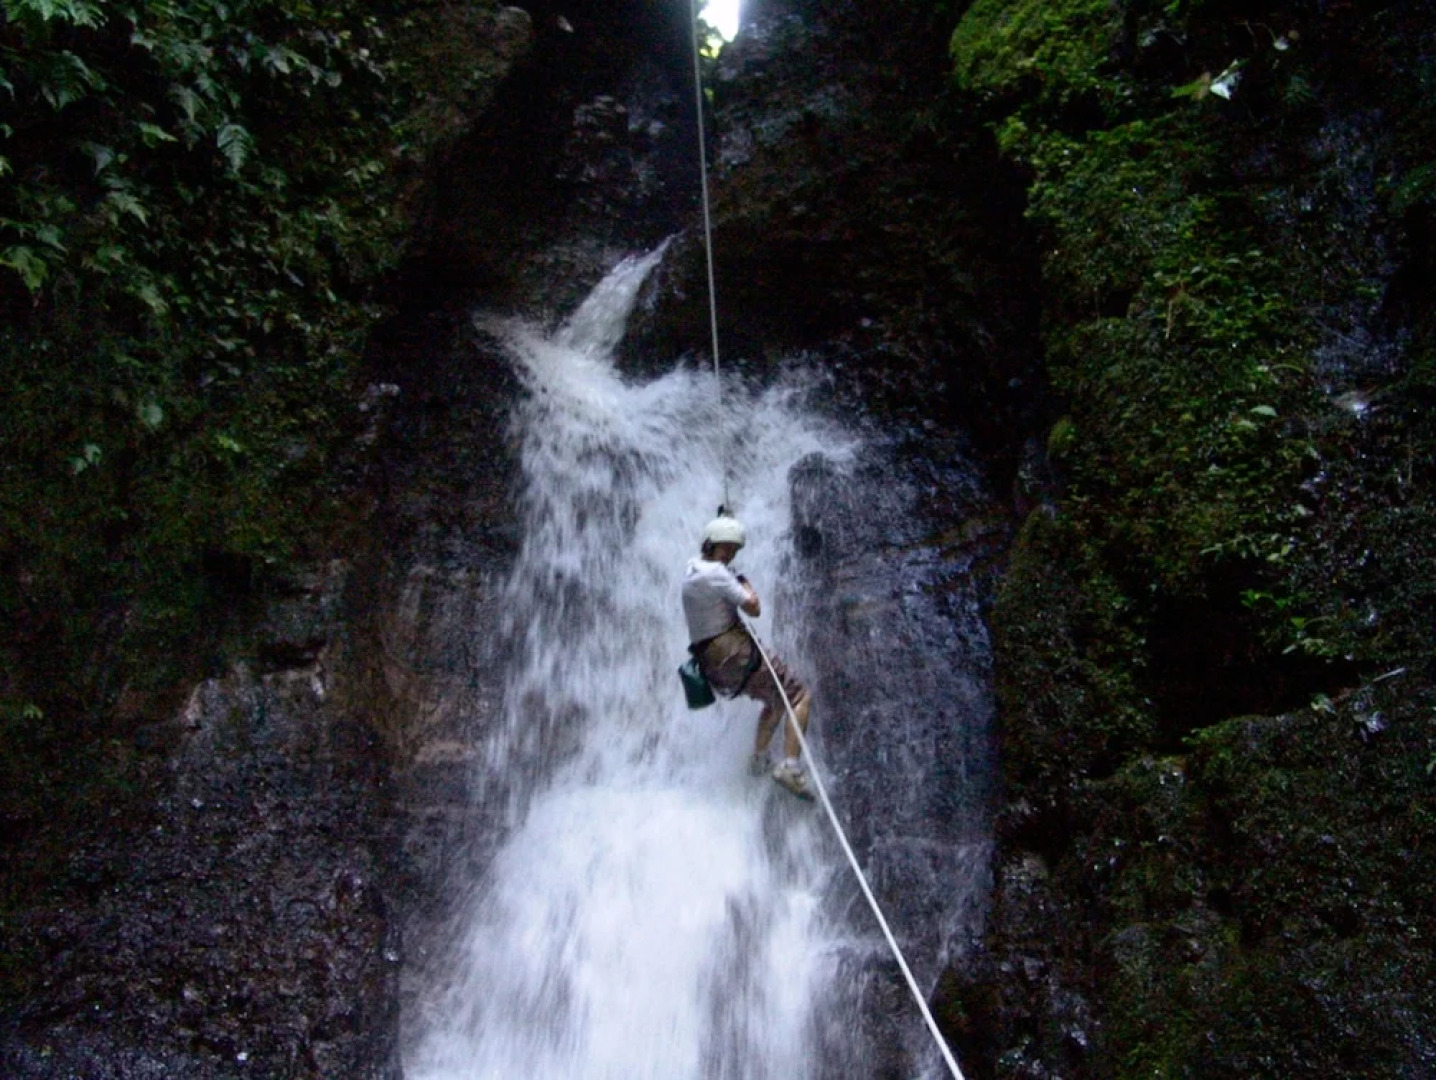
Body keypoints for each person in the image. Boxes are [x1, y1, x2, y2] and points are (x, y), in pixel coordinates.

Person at [682, 513, 814, 800]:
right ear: (711, 545)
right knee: (799, 696)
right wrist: (745, 582)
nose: (730, 554)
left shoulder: (691, 571)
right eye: (726, 548)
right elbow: (753, 608)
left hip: (711, 664)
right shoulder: (718, 574)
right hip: (734, 652)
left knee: (775, 699)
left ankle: (759, 760)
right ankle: (791, 767)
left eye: (733, 549)